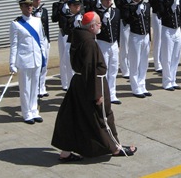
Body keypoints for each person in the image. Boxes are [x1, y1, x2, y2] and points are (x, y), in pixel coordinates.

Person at [51, 12, 137, 161]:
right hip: (93, 82)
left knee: (74, 116)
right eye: (98, 24)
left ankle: (65, 152)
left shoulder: (76, 37)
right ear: (91, 27)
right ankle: (116, 148)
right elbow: (91, 69)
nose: (100, 26)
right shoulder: (89, 42)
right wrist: (97, 93)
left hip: (78, 82)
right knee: (103, 116)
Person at [9, 0, 46, 124]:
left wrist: (43, 57)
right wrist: (12, 63)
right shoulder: (16, 24)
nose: (30, 7)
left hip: (36, 59)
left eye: (31, 5)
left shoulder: (37, 20)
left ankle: (34, 110)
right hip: (24, 60)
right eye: (26, 5)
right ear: (21, 7)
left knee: (35, 87)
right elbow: (14, 45)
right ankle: (26, 113)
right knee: (25, 88)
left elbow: (41, 40)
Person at [122, 0, 151, 98]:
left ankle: (142, 84)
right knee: (135, 63)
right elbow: (126, 20)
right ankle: (135, 88)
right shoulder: (128, 7)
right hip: (135, 37)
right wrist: (134, 11)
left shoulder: (146, 5)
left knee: (144, 63)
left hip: (145, 36)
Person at [94, 0, 121, 104]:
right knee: (104, 70)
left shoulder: (116, 11)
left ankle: (112, 93)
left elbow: (118, 29)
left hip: (113, 44)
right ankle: (103, 93)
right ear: (101, 0)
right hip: (103, 43)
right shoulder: (97, 13)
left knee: (114, 69)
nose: (109, 0)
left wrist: (118, 43)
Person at [156, 0, 181, 91]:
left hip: (177, 30)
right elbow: (161, 14)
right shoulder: (162, 0)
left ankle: (173, 79)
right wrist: (170, 7)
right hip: (167, 29)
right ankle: (166, 81)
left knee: (176, 56)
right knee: (167, 57)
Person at [51, 0, 73, 91]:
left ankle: (73, 80)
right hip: (64, 33)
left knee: (74, 59)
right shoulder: (57, 5)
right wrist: (61, 9)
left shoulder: (74, 3)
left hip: (74, 33)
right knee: (64, 59)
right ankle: (65, 83)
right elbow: (54, 18)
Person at [146, 0, 166, 73]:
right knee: (158, 39)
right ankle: (157, 63)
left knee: (165, 39)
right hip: (157, 15)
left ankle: (164, 61)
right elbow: (153, 3)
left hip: (165, 16)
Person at [31, 0, 50, 98]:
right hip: (36, 41)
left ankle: (42, 87)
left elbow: (46, 27)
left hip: (45, 40)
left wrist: (48, 40)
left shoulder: (44, 11)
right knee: (38, 65)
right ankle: (37, 88)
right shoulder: (30, 13)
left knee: (45, 65)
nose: (38, 0)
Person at [114, 0, 131, 78]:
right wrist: (128, 0)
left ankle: (131, 66)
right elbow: (120, 6)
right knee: (124, 47)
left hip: (133, 23)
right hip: (124, 22)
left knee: (132, 46)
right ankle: (125, 69)